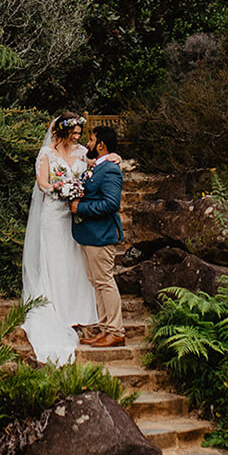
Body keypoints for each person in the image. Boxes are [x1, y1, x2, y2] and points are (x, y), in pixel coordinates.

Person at [20, 113, 99, 364]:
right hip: (53, 214)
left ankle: (77, 308)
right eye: (73, 133)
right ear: (61, 132)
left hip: (74, 214)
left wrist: (113, 158)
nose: (77, 137)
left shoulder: (82, 152)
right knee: (54, 258)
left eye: (79, 133)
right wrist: (62, 188)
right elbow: (42, 183)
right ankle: (55, 307)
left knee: (74, 258)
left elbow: (94, 169)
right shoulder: (46, 153)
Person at [69, 125, 125, 348]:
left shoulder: (110, 169)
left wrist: (81, 208)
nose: (88, 143)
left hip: (102, 236)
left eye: (91, 140)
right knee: (97, 282)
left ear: (101, 144)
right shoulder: (98, 166)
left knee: (105, 282)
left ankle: (116, 331)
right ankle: (105, 329)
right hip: (90, 236)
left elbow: (112, 203)